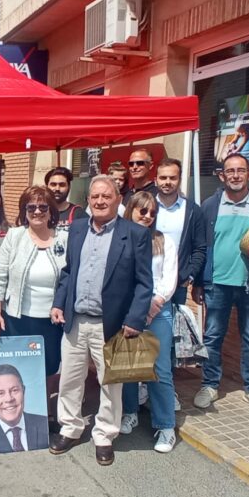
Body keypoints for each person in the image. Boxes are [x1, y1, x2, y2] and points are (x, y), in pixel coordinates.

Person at [49, 175, 153, 466]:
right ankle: (70, 427)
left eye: (106, 196)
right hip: (76, 320)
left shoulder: (134, 234)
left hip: (113, 323)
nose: (100, 201)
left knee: (111, 384)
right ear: (88, 200)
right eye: (95, 196)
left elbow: (145, 283)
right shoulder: (79, 228)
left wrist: (135, 319)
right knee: (69, 378)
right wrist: (59, 302)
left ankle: (105, 434)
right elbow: (69, 271)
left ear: (118, 200)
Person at [191, 153, 249, 414]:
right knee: (212, 337)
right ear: (221, 175)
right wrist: (199, 281)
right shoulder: (209, 205)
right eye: (230, 171)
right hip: (217, 283)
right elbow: (201, 245)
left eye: (241, 170)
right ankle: (209, 384)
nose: (236, 175)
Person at [0, 186, 68, 392]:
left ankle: (47, 417)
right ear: (24, 211)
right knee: (18, 368)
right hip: (17, 318)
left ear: (51, 210)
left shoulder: (64, 239)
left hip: (52, 320)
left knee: (50, 368)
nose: (37, 212)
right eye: (31, 207)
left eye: (43, 207)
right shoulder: (14, 236)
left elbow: (70, 278)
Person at [119, 192, 178, 453]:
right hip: (128, 312)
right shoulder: (120, 239)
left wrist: (152, 307)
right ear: (131, 210)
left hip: (158, 312)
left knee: (160, 370)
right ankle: (130, 411)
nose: (147, 216)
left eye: (152, 213)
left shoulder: (164, 241)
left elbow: (169, 279)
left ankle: (166, 426)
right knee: (129, 368)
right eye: (142, 211)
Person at [154, 158, 206, 305]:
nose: (167, 182)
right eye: (163, 177)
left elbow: (199, 248)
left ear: (180, 179)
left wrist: (189, 275)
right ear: (156, 179)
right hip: (145, 280)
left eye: (173, 178)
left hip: (177, 284)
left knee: (173, 326)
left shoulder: (192, 210)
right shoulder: (146, 206)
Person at [0, 364, 49, 455]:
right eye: (0, 393)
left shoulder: (46, 425)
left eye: (14, 390)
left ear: (23, 391)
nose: (9, 399)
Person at [45, 167, 87, 231]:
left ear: (69, 187)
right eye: (53, 184)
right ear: (47, 187)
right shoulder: (39, 212)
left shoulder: (79, 214)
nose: (57, 189)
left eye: (62, 185)